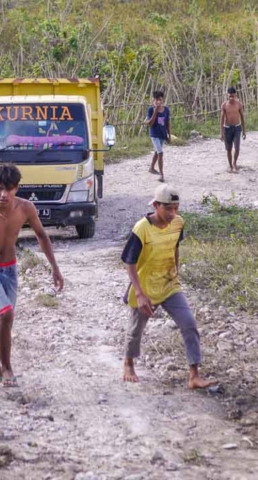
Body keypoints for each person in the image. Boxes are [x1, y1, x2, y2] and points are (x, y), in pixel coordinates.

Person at [0, 164, 64, 387]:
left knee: (5, 319)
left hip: (9, 268)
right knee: (6, 314)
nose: (3, 195)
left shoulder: (26, 209)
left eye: (9, 189)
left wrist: (55, 268)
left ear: (17, 189)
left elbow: (41, 235)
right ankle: (7, 368)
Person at [121, 184, 215, 389]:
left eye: (176, 208)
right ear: (155, 205)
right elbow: (129, 261)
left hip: (169, 284)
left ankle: (194, 375)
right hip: (145, 286)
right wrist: (139, 292)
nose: (173, 213)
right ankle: (128, 363)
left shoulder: (178, 223)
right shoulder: (142, 228)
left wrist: (176, 271)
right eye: (168, 208)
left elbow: (175, 247)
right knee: (136, 330)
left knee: (189, 323)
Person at [145, 91, 171, 183]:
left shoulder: (166, 110)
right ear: (154, 100)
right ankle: (161, 174)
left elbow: (167, 123)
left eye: (160, 100)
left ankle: (151, 168)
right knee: (160, 153)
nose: (158, 102)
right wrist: (155, 112)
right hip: (154, 135)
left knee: (157, 152)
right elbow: (150, 123)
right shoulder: (151, 110)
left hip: (162, 135)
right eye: (157, 100)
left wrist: (169, 135)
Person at [220, 87, 246, 173]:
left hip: (237, 128)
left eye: (232, 95)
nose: (231, 97)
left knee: (237, 148)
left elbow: (242, 117)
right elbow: (222, 119)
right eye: (229, 96)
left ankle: (234, 163)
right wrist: (221, 132)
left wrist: (244, 131)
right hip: (227, 129)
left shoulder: (239, 104)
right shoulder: (224, 105)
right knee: (228, 149)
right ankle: (230, 165)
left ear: (235, 95)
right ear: (227, 95)